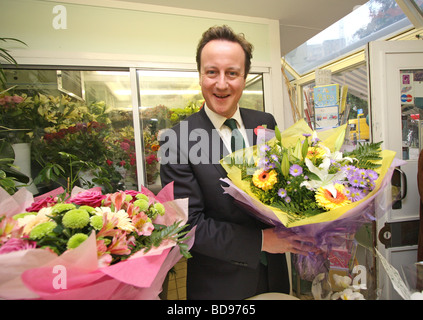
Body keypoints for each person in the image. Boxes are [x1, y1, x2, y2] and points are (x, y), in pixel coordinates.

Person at [160, 25, 315, 300]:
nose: (222, 84)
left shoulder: (264, 123)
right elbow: (188, 226)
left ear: (244, 77)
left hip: (274, 277)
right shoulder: (177, 140)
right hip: (219, 285)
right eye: (212, 72)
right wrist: (262, 241)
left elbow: (283, 189)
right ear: (200, 76)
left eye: (232, 73)